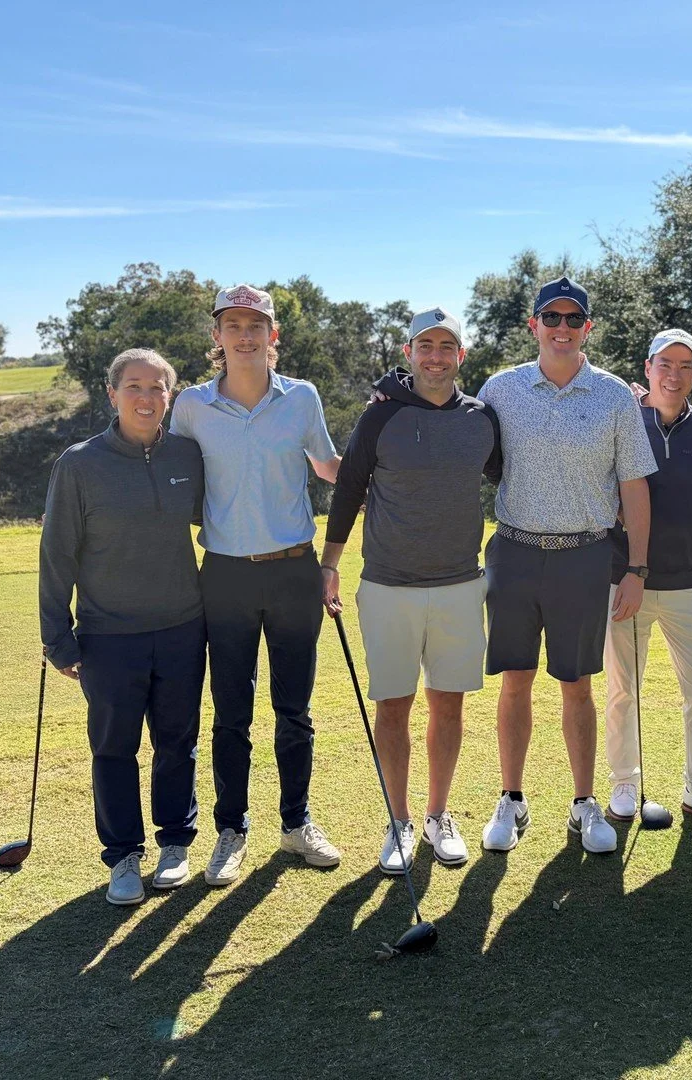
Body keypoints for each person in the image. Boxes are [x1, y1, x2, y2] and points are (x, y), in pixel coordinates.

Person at [477, 275, 658, 856]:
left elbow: (634, 487)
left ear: (588, 328)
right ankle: (511, 797)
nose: (560, 329)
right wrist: (394, 396)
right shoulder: (500, 390)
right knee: (515, 682)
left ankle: (585, 804)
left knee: (577, 685)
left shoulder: (614, 397)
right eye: (549, 319)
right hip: (514, 551)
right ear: (533, 326)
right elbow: (452, 433)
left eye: (571, 320)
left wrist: (636, 568)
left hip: (585, 555)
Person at [169, 284, 343, 886]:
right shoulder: (190, 406)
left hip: (295, 569)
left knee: (294, 709)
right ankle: (231, 829)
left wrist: (384, 445)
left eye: (256, 324)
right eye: (233, 324)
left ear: (274, 336)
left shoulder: (302, 399)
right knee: (231, 713)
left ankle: (296, 823)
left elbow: (328, 467)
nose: (245, 335)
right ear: (217, 337)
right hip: (224, 575)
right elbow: (174, 485)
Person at [321, 308, 501, 875]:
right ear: (409, 353)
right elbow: (349, 488)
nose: (435, 357)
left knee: (448, 703)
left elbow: (514, 474)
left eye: (446, 347)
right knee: (393, 706)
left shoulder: (482, 419)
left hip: (458, 585)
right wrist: (329, 564)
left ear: (460, 357)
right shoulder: (380, 419)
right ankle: (397, 822)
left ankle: (437, 815)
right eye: (425, 345)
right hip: (388, 585)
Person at [39, 348, 206, 905]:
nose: (146, 397)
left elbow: (224, 520)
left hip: (183, 626)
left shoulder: (188, 453)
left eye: (158, 388)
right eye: (134, 386)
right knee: (113, 748)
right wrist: (56, 637)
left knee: (177, 742)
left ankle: (175, 844)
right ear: (112, 394)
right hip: (108, 634)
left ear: (170, 396)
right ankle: (123, 857)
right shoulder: (80, 463)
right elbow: (56, 554)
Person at [604, 328, 692, 832]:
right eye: (665, 364)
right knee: (623, 691)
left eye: (685, 366)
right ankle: (624, 783)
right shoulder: (622, 418)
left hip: (686, 584)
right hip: (623, 580)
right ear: (648, 368)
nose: (674, 374)